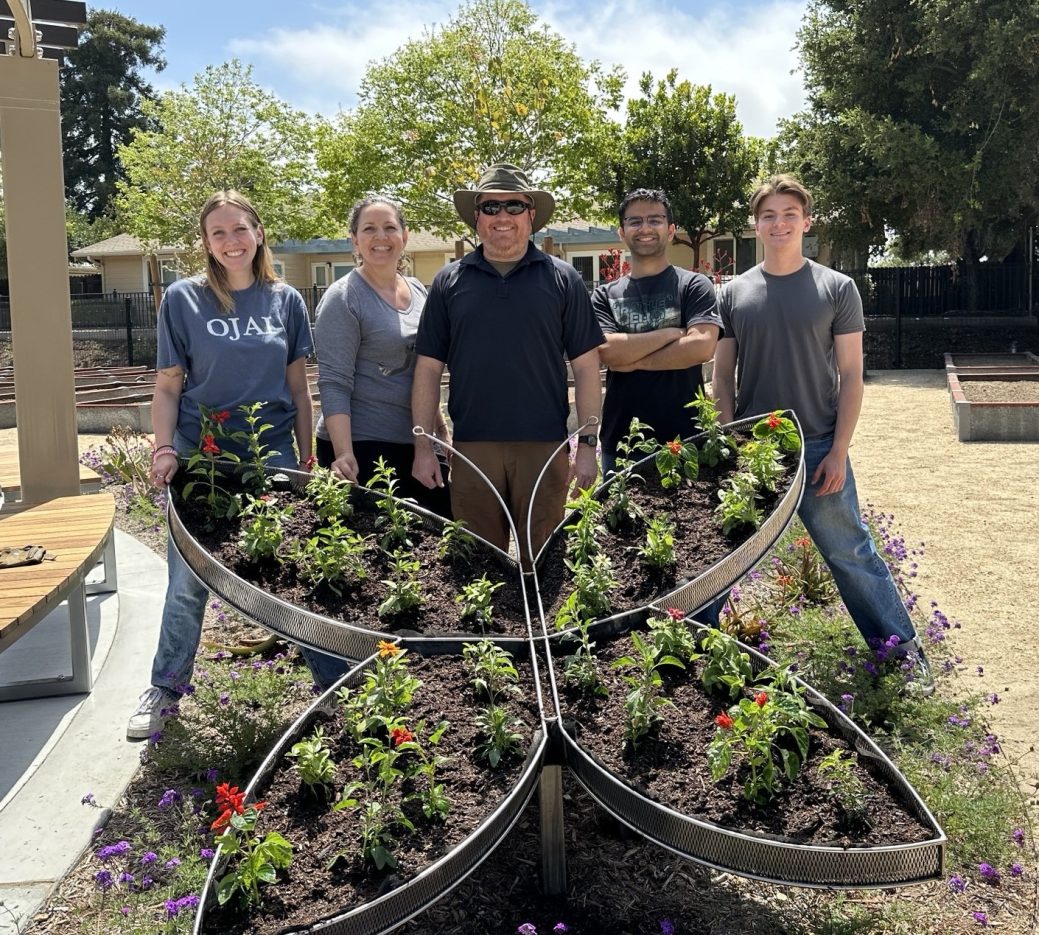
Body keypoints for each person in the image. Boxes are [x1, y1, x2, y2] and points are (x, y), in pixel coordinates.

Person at [128, 190, 346, 740]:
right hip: (202, 453)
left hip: (269, 450)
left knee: (291, 572)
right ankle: (166, 688)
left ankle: (335, 689)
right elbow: (168, 385)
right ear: (205, 243)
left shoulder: (286, 300)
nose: (231, 242)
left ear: (258, 233)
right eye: (218, 233)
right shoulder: (182, 299)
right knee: (186, 579)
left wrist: (306, 458)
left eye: (240, 229)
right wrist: (163, 447)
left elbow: (299, 389)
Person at [710, 174, 934, 693]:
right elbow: (722, 376)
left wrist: (838, 449)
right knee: (724, 559)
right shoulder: (734, 293)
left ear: (806, 222)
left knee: (852, 556)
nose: (779, 223)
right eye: (769, 215)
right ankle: (692, 653)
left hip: (816, 448)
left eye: (790, 214)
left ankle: (903, 661)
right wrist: (728, 440)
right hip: (755, 453)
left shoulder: (837, 288)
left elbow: (852, 375)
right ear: (756, 224)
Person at [411, 163, 604, 565]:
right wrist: (423, 446)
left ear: (531, 215)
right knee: (479, 568)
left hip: (544, 447)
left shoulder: (564, 279)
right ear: (476, 217)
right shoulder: (448, 283)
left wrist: (587, 446)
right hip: (471, 449)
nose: (502, 217)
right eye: (491, 207)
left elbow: (587, 368)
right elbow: (428, 370)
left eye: (514, 206)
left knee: (546, 565)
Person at [313, 196, 452, 516]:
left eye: (390, 227)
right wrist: (344, 454)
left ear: (404, 236)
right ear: (355, 240)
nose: (380, 237)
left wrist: (440, 437)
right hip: (363, 445)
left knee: (437, 539)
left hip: (414, 441)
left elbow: (424, 371)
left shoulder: (418, 290)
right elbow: (334, 383)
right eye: (369, 229)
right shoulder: (344, 297)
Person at [593, 188, 722, 477]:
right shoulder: (603, 296)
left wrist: (634, 361)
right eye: (635, 221)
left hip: (687, 441)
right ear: (622, 232)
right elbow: (607, 351)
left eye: (655, 219)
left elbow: (701, 347)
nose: (645, 228)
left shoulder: (694, 286)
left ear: (671, 229)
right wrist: (671, 334)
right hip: (622, 444)